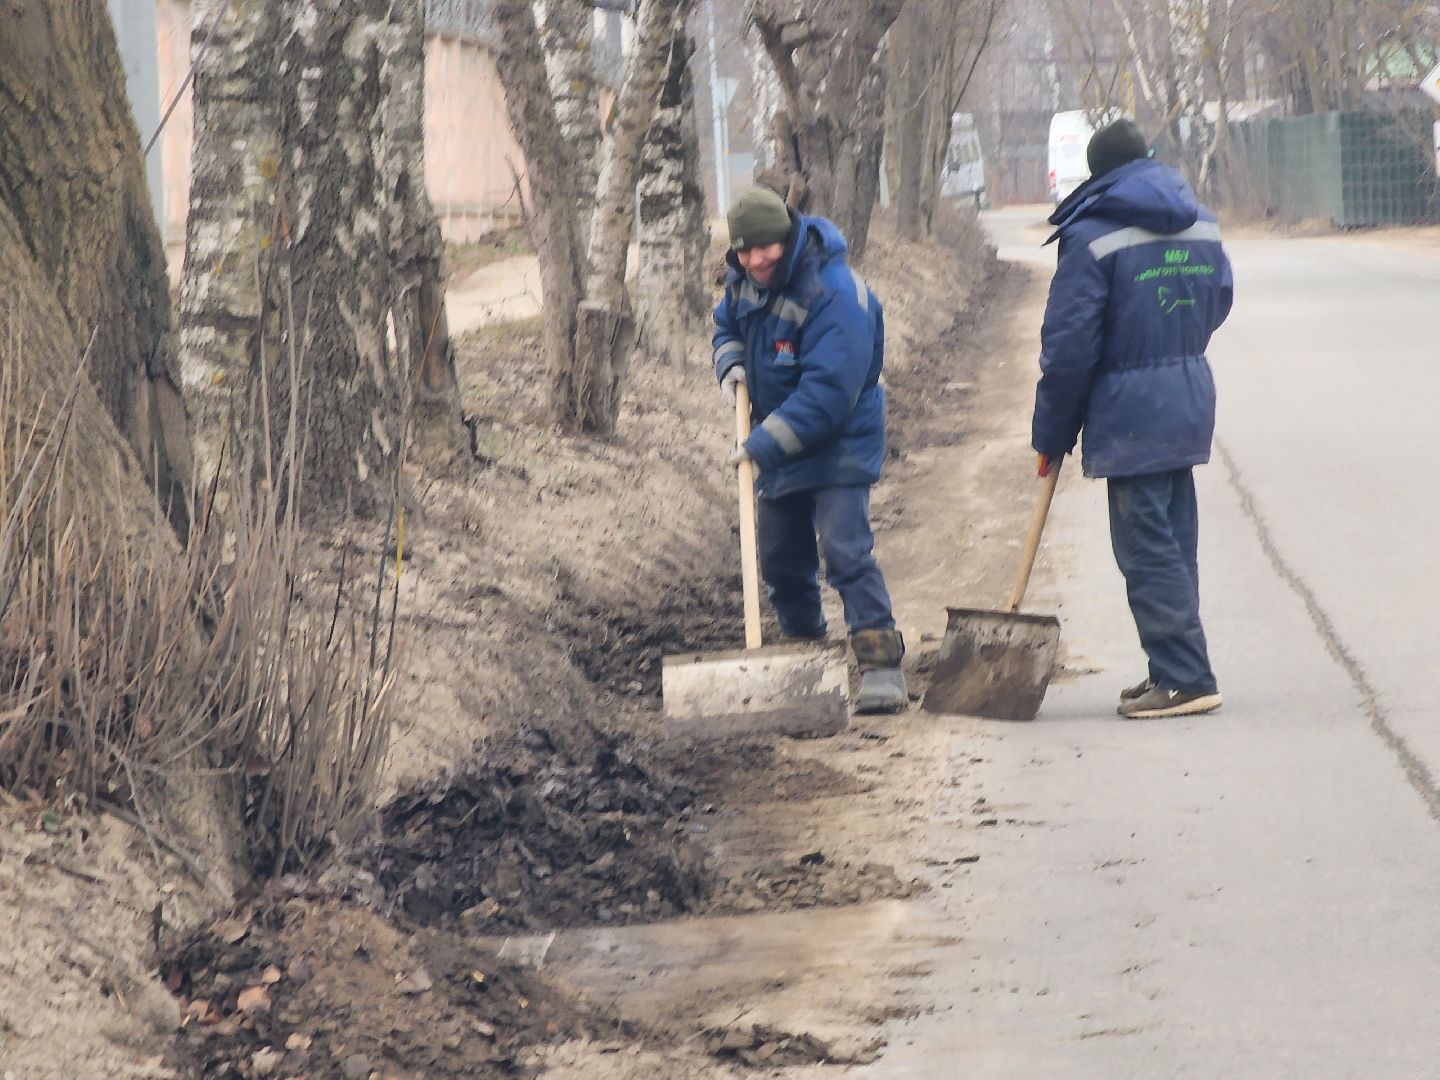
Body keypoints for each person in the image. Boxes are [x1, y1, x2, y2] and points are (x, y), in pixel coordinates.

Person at [1031, 118, 1234, 719]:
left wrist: (1050, 432)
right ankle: (1170, 667)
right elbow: (1219, 301)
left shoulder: (1092, 232)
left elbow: (1069, 349)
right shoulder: (1200, 219)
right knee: (1173, 542)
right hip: (1188, 397)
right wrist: (1173, 343)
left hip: (1131, 413)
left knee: (1146, 548)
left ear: (1098, 175)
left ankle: (1185, 677)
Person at [712, 185, 907, 714]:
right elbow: (726, 323)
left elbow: (828, 395)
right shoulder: (746, 282)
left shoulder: (833, 292)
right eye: (745, 251)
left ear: (788, 238)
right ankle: (807, 655)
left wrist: (760, 444)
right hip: (780, 440)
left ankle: (881, 663)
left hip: (840, 439)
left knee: (844, 551)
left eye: (765, 248)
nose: (756, 260)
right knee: (779, 559)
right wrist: (730, 363)